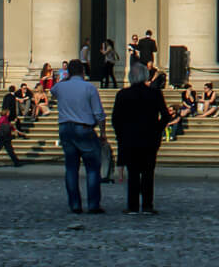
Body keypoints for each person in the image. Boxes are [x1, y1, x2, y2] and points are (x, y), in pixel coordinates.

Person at [111, 62, 166, 214]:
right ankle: (148, 205)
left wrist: (121, 135)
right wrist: (157, 130)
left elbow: (116, 119)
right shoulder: (155, 93)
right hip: (150, 138)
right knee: (148, 173)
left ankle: (133, 206)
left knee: (133, 173)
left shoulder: (122, 94)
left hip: (130, 139)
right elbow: (166, 115)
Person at [54, 58, 108, 214]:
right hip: (84, 129)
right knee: (92, 169)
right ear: (83, 71)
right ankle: (93, 204)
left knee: (71, 169)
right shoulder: (89, 88)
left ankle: (75, 204)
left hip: (65, 129)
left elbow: (52, 91)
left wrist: (67, 79)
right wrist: (103, 133)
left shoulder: (61, 87)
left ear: (69, 72)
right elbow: (99, 114)